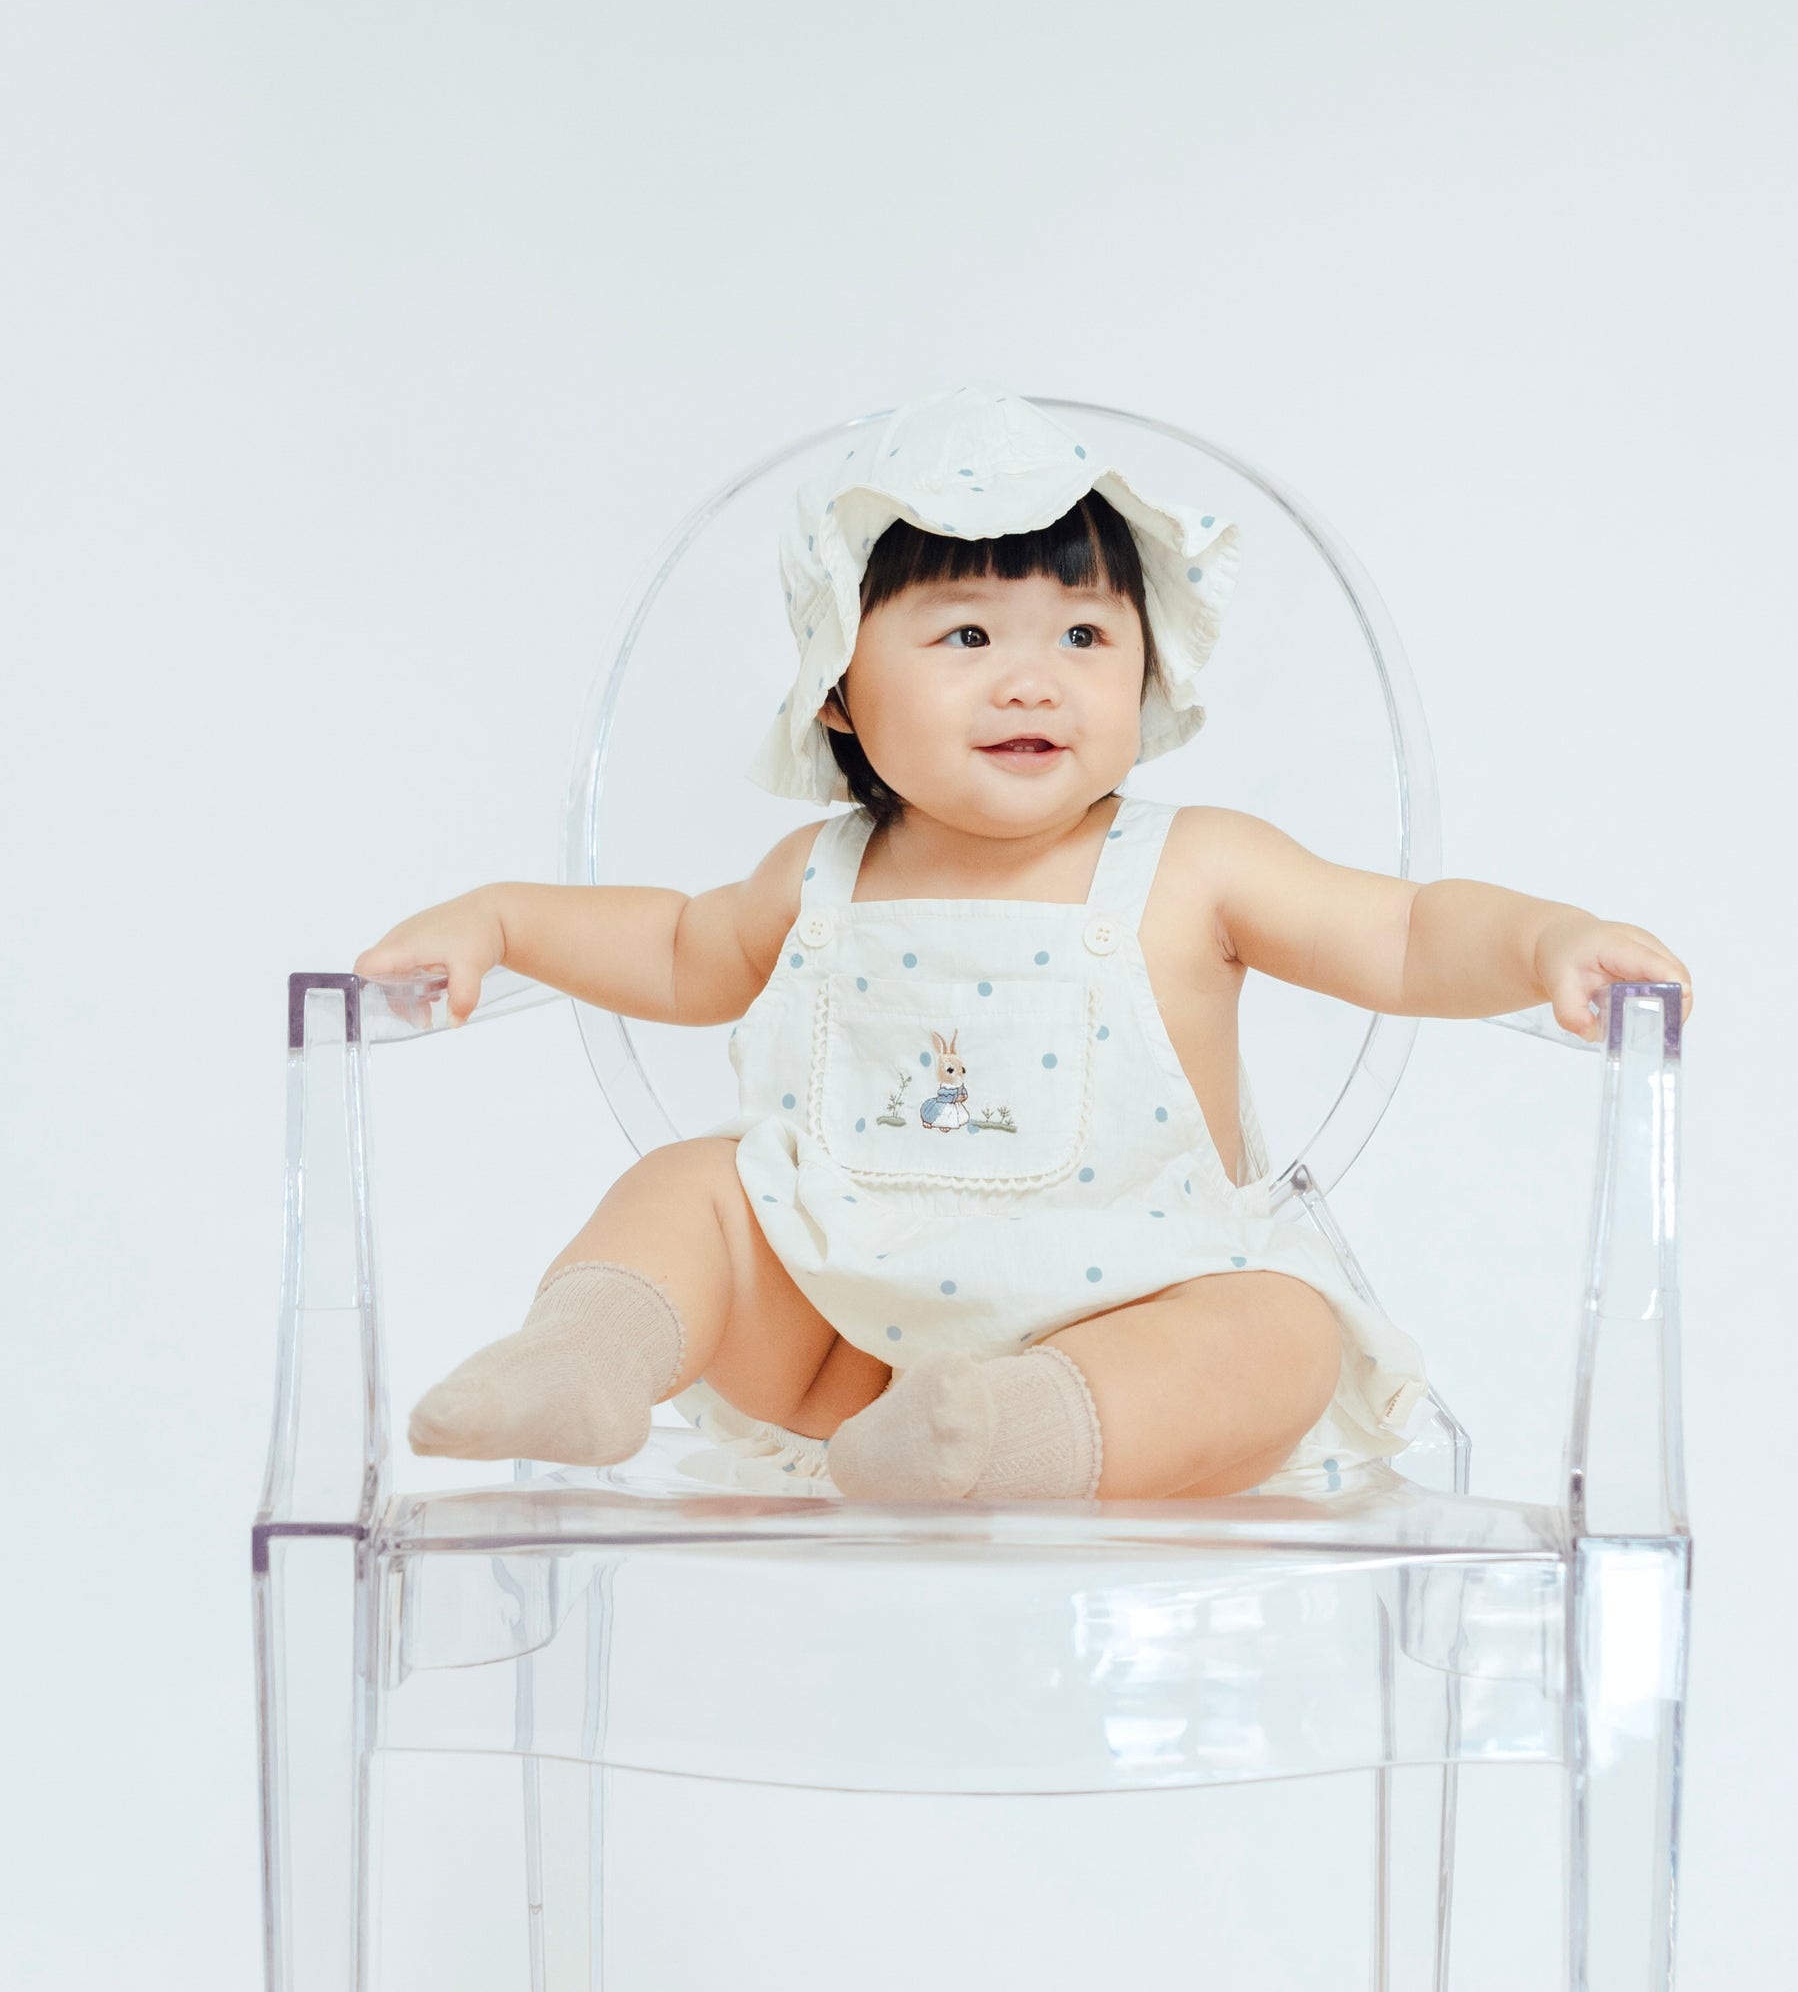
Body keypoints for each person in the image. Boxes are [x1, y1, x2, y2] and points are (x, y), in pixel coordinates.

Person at [356, 383, 1691, 1503]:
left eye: (1084, 635)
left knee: (1276, 1334)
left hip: (1130, 1323)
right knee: (692, 1185)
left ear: (1145, 670)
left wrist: (1545, 941)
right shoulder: (817, 876)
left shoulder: (1196, 864)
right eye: (966, 634)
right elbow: (671, 951)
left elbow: (1401, 932)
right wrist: (504, 920)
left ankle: (1005, 1439)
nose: (1032, 676)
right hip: (845, 1350)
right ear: (837, 691)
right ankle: (585, 1358)